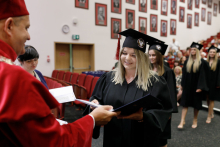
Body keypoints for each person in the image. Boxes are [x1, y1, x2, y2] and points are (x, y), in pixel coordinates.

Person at [0, 1, 119, 146]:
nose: (28, 36)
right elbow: (57, 142)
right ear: (9, 26)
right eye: (26, 27)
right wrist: (92, 119)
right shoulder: (13, 78)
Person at [85, 29, 173, 147]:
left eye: (134, 55)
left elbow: (163, 111)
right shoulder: (108, 78)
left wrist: (143, 117)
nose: (127, 58)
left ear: (142, 58)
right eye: (124, 53)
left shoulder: (155, 82)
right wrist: (94, 102)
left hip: (141, 140)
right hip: (112, 138)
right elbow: (96, 97)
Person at [148, 42, 178, 147]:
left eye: (154, 55)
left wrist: (169, 111)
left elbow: (171, 92)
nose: (151, 57)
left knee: (162, 139)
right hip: (149, 108)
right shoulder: (147, 70)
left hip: (162, 109)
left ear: (159, 56)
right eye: (150, 55)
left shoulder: (168, 72)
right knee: (150, 137)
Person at [178, 42, 209, 129]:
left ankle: (195, 120)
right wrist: (182, 85)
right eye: (192, 49)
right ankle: (182, 121)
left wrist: (201, 87)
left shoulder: (202, 62)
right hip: (187, 86)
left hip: (197, 86)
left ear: (198, 51)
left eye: (195, 49)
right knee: (185, 103)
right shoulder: (187, 61)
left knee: (196, 104)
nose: (192, 51)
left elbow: (203, 75)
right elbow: (184, 74)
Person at [206, 45, 220, 123]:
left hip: (214, 83)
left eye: (213, 52)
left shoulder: (218, 62)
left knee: (211, 99)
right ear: (208, 53)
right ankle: (211, 111)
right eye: (210, 52)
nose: (212, 53)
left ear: (216, 53)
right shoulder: (206, 61)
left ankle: (209, 116)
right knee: (207, 99)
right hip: (207, 83)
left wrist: (218, 83)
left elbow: (219, 73)